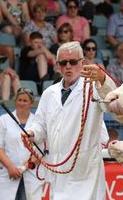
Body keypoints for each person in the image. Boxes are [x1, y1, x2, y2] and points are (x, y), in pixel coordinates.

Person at [22, 41, 116, 200]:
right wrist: (31, 133)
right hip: (58, 171)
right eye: (63, 63)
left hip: (85, 173)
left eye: (73, 62)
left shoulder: (94, 87)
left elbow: (113, 102)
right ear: (57, 65)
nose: (68, 66)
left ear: (82, 62)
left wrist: (102, 78)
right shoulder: (49, 93)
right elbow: (40, 126)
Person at [0, 87, 44, 200]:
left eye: (25, 101)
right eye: (19, 100)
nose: (21, 103)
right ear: (15, 101)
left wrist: (22, 168)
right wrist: (11, 167)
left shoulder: (38, 122)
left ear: (31, 103)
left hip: (30, 173)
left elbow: (41, 150)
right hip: (7, 173)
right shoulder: (3, 120)